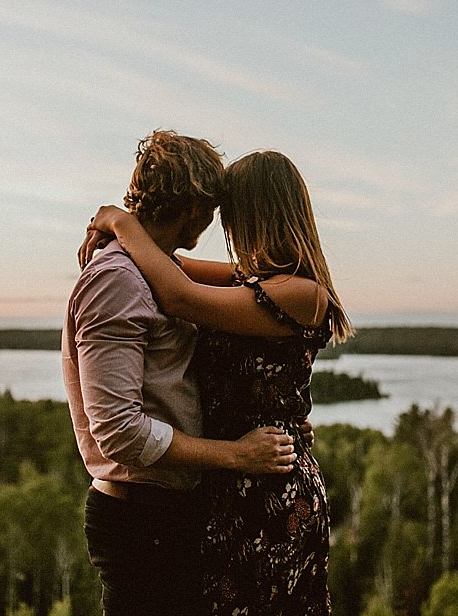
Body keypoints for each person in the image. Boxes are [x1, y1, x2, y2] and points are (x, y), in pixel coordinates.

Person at [83, 149, 353, 616]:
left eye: (229, 213)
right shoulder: (254, 281)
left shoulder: (303, 293)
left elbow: (178, 294)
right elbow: (173, 267)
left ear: (256, 214)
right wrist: (123, 231)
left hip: (269, 497)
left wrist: (121, 222)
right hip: (227, 488)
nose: (220, 226)